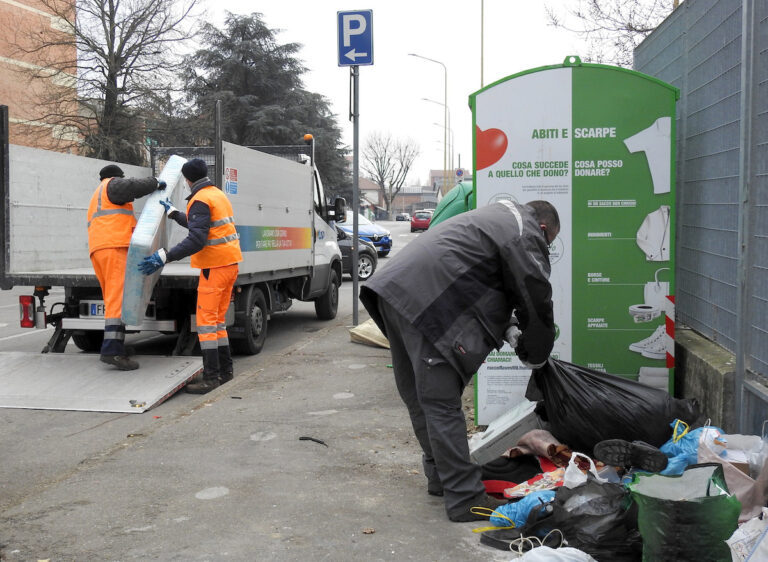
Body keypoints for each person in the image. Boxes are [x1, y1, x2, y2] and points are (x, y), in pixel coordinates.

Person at [360, 199, 559, 522]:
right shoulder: (525, 230)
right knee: (441, 401)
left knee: (421, 398)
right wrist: (536, 353)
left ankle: (443, 477)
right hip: (423, 301)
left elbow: (478, 282)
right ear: (545, 229)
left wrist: (508, 327)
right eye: (547, 244)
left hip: (394, 293)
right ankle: (465, 498)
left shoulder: (498, 216)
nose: (544, 249)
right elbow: (533, 293)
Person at [138, 158, 242, 394]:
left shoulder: (200, 200)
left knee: (206, 324)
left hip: (214, 267)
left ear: (187, 179)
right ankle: (225, 372)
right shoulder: (216, 194)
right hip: (229, 265)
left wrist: (165, 256)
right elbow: (202, 225)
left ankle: (211, 378)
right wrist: (175, 213)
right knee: (217, 322)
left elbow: (197, 238)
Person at [87, 164, 166, 370]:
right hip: (114, 248)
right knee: (117, 300)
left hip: (101, 249)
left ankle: (116, 347)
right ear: (116, 177)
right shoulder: (112, 185)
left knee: (112, 298)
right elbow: (132, 186)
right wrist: (156, 182)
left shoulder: (99, 194)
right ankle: (112, 351)